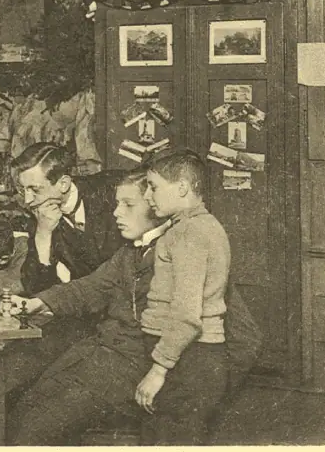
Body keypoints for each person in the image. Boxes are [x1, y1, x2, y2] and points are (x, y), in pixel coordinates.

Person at [11, 161, 259, 445]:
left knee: (38, 424)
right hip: (109, 357)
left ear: (154, 205)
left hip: (138, 364)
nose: (115, 214)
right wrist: (40, 302)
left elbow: (235, 338)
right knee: (29, 403)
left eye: (128, 205)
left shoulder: (182, 247)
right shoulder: (131, 252)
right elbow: (91, 287)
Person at [134, 148, 231, 443]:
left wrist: (158, 370)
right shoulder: (199, 226)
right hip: (186, 355)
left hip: (188, 360)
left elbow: (187, 315)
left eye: (153, 186)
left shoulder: (190, 232)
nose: (148, 197)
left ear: (182, 188)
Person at [11, 142, 122, 295]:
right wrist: (43, 235)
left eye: (35, 189)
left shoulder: (113, 193)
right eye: (23, 190)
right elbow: (36, 288)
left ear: (63, 184)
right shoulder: (40, 215)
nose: (27, 200)